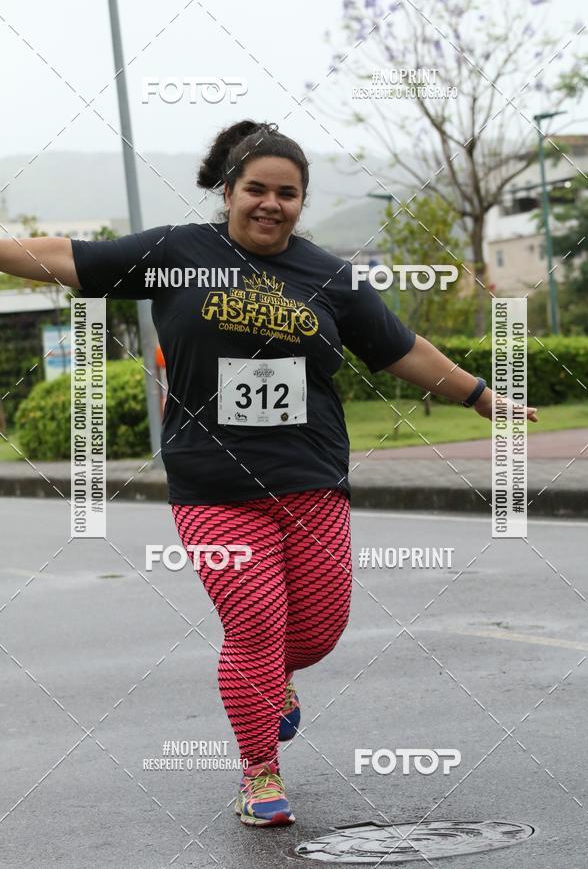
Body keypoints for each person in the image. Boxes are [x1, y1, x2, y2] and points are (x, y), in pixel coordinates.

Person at [0, 119, 538, 828]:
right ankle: (259, 772)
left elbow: (401, 347)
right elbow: (60, 257)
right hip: (213, 489)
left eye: (287, 193)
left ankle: (275, 680)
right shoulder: (175, 252)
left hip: (311, 482)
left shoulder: (328, 276)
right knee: (254, 626)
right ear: (228, 192)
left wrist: (478, 394)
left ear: (300, 201)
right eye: (256, 188)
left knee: (314, 633)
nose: (270, 203)